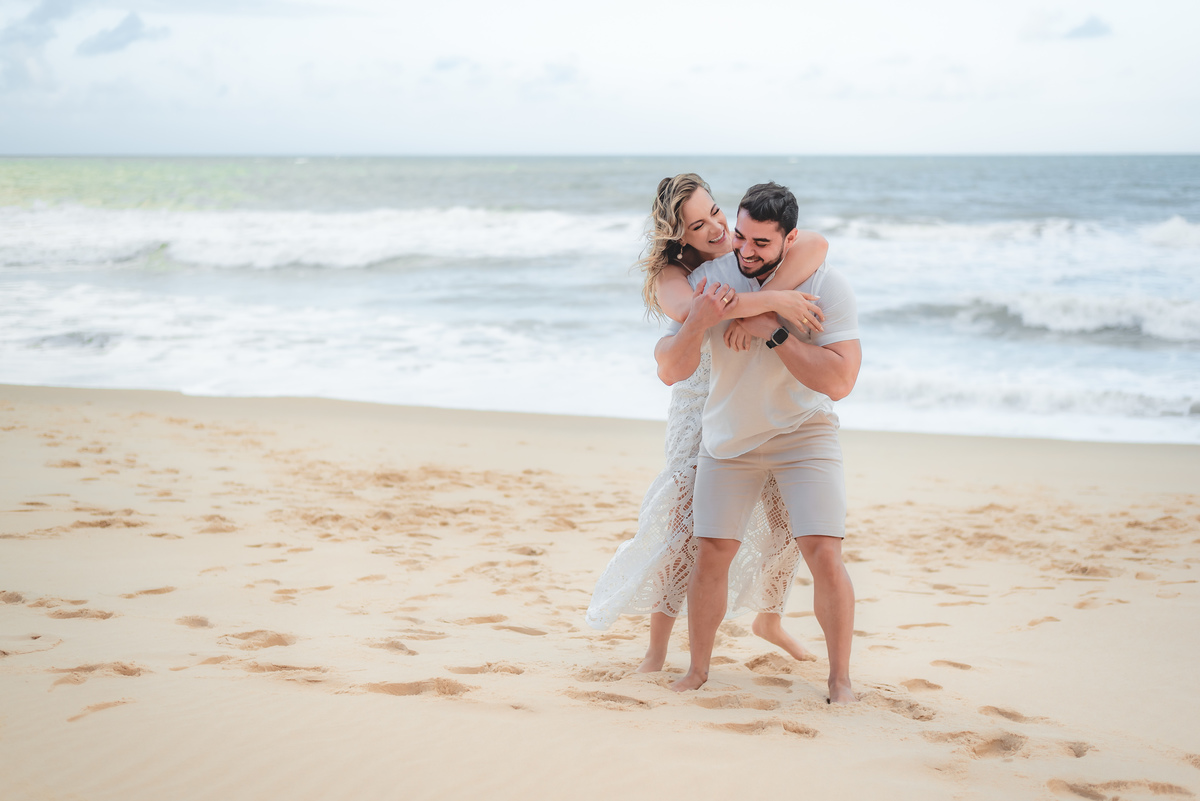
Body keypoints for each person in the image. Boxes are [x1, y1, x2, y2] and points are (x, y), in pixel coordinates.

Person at [586, 173, 829, 673]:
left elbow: (816, 244)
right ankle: (656, 649)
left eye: (715, 211)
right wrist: (772, 303)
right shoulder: (671, 275)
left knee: (787, 521)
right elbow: (696, 311)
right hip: (699, 406)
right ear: (679, 236)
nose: (717, 229)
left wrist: (765, 301)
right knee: (683, 528)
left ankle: (770, 619)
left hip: (754, 398)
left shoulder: (742, 246)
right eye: (699, 226)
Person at [654, 181, 861, 704]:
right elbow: (672, 359)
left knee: (823, 551)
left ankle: (840, 681)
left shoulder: (826, 285)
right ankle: (697, 670)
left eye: (760, 243)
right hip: (729, 437)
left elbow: (840, 381)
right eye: (740, 236)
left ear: (790, 240)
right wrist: (726, 313)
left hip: (803, 433)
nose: (742, 249)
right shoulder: (708, 279)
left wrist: (773, 328)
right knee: (711, 553)